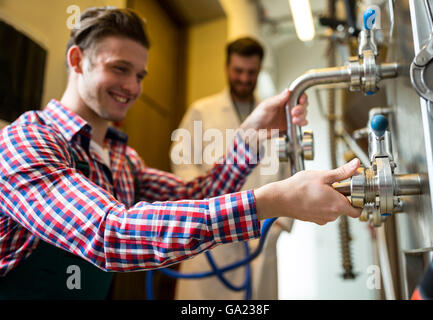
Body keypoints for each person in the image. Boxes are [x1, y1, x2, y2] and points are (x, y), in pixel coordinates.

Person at [0, 7, 361, 300]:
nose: (132, 87)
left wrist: (253, 133)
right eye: (120, 69)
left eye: (140, 75)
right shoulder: (26, 142)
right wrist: (269, 202)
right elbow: (110, 233)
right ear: (77, 60)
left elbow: (197, 194)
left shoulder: (121, 159)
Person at [171, 37, 293, 300]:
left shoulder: (273, 115)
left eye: (251, 72)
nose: (244, 78)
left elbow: (288, 168)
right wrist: (208, 212)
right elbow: (182, 165)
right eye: (238, 71)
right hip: (211, 237)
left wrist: (280, 224)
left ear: (259, 71)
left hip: (261, 234)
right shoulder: (201, 111)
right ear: (227, 68)